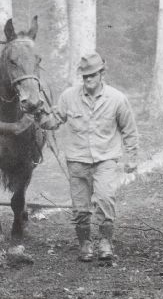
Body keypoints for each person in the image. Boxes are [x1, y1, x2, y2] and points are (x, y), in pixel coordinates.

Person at [35, 51, 139, 263]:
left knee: (105, 198)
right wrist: (37, 113)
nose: (88, 80)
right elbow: (53, 121)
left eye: (92, 75)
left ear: (102, 73)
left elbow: (129, 129)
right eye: (85, 76)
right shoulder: (68, 97)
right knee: (80, 208)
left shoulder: (117, 99)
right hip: (77, 160)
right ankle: (84, 243)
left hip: (106, 159)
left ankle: (105, 242)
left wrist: (133, 157)